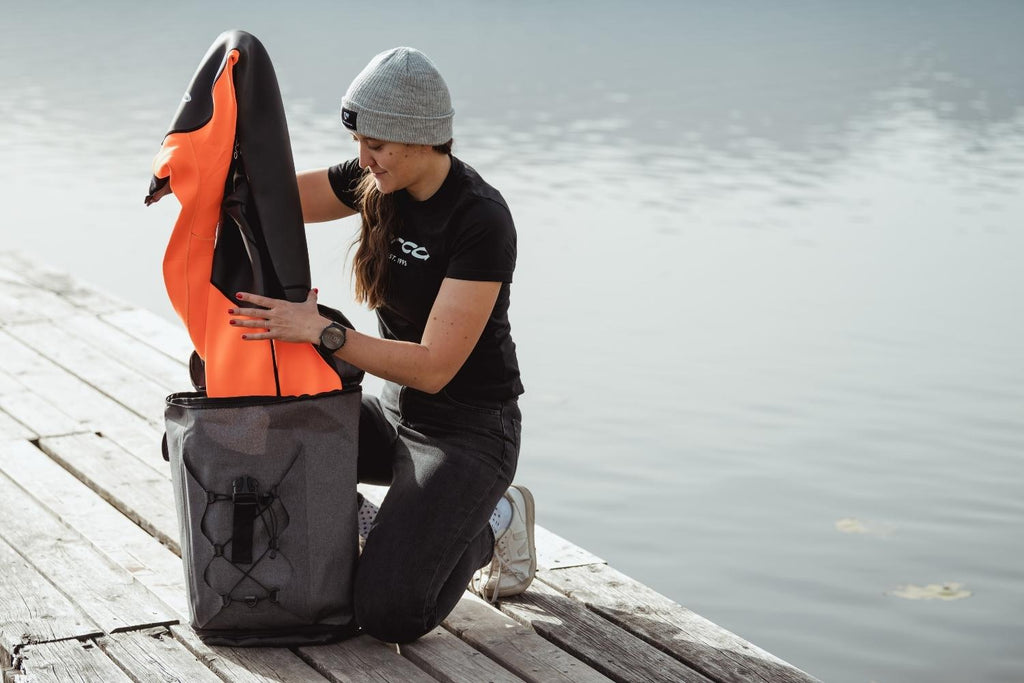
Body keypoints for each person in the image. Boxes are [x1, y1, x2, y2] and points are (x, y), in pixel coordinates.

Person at [226, 46, 534, 644]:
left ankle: (496, 517)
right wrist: (199, 176)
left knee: (388, 613)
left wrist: (325, 332)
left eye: (377, 145)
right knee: (257, 440)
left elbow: (436, 369)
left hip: (469, 430)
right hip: (394, 410)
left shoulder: (480, 219)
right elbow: (271, 201)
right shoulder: (374, 179)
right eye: (359, 142)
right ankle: (406, 520)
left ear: (421, 140)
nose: (362, 158)